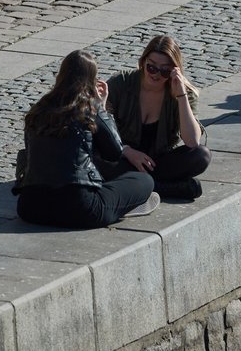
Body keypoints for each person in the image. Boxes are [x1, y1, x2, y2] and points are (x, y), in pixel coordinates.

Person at [14, 50, 158, 228]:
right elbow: (114, 152)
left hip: (31, 207)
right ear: (92, 80)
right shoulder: (89, 109)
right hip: (80, 208)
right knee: (144, 180)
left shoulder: (38, 110)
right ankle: (122, 207)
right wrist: (102, 107)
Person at [106, 35, 212, 200]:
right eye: (152, 68)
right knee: (97, 160)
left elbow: (192, 141)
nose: (156, 75)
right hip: (124, 159)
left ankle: (146, 185)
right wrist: (126, 151)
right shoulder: (121, 83)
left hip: (158, 162)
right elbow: (99, 128)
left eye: (165, 71)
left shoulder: (182, 92)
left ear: (174, 71)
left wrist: (181, 96)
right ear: (143, 62)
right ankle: (162, 187)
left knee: (201, 156)